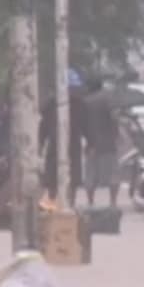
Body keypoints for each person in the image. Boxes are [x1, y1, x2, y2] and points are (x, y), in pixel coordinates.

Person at [38, 69, 87, 205]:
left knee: (74, 175)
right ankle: (52, 202)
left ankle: (70, 203)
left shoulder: (80, 104)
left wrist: (91, 142)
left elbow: (86, 125)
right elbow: (43, 127)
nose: (72, 90)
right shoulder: (50, 104)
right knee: (51, 176)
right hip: (55, 142)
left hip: (74, 143)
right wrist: (40, 143)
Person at [82, 77, 122, 208]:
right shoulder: (108, 98)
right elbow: (114, 118)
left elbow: (83, 124)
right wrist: (117, 134)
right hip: (108, 142)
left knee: (90, 174)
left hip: (91, 143)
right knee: (113, 173)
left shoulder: (86, 102)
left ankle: (90, 202)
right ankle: (113, 202)